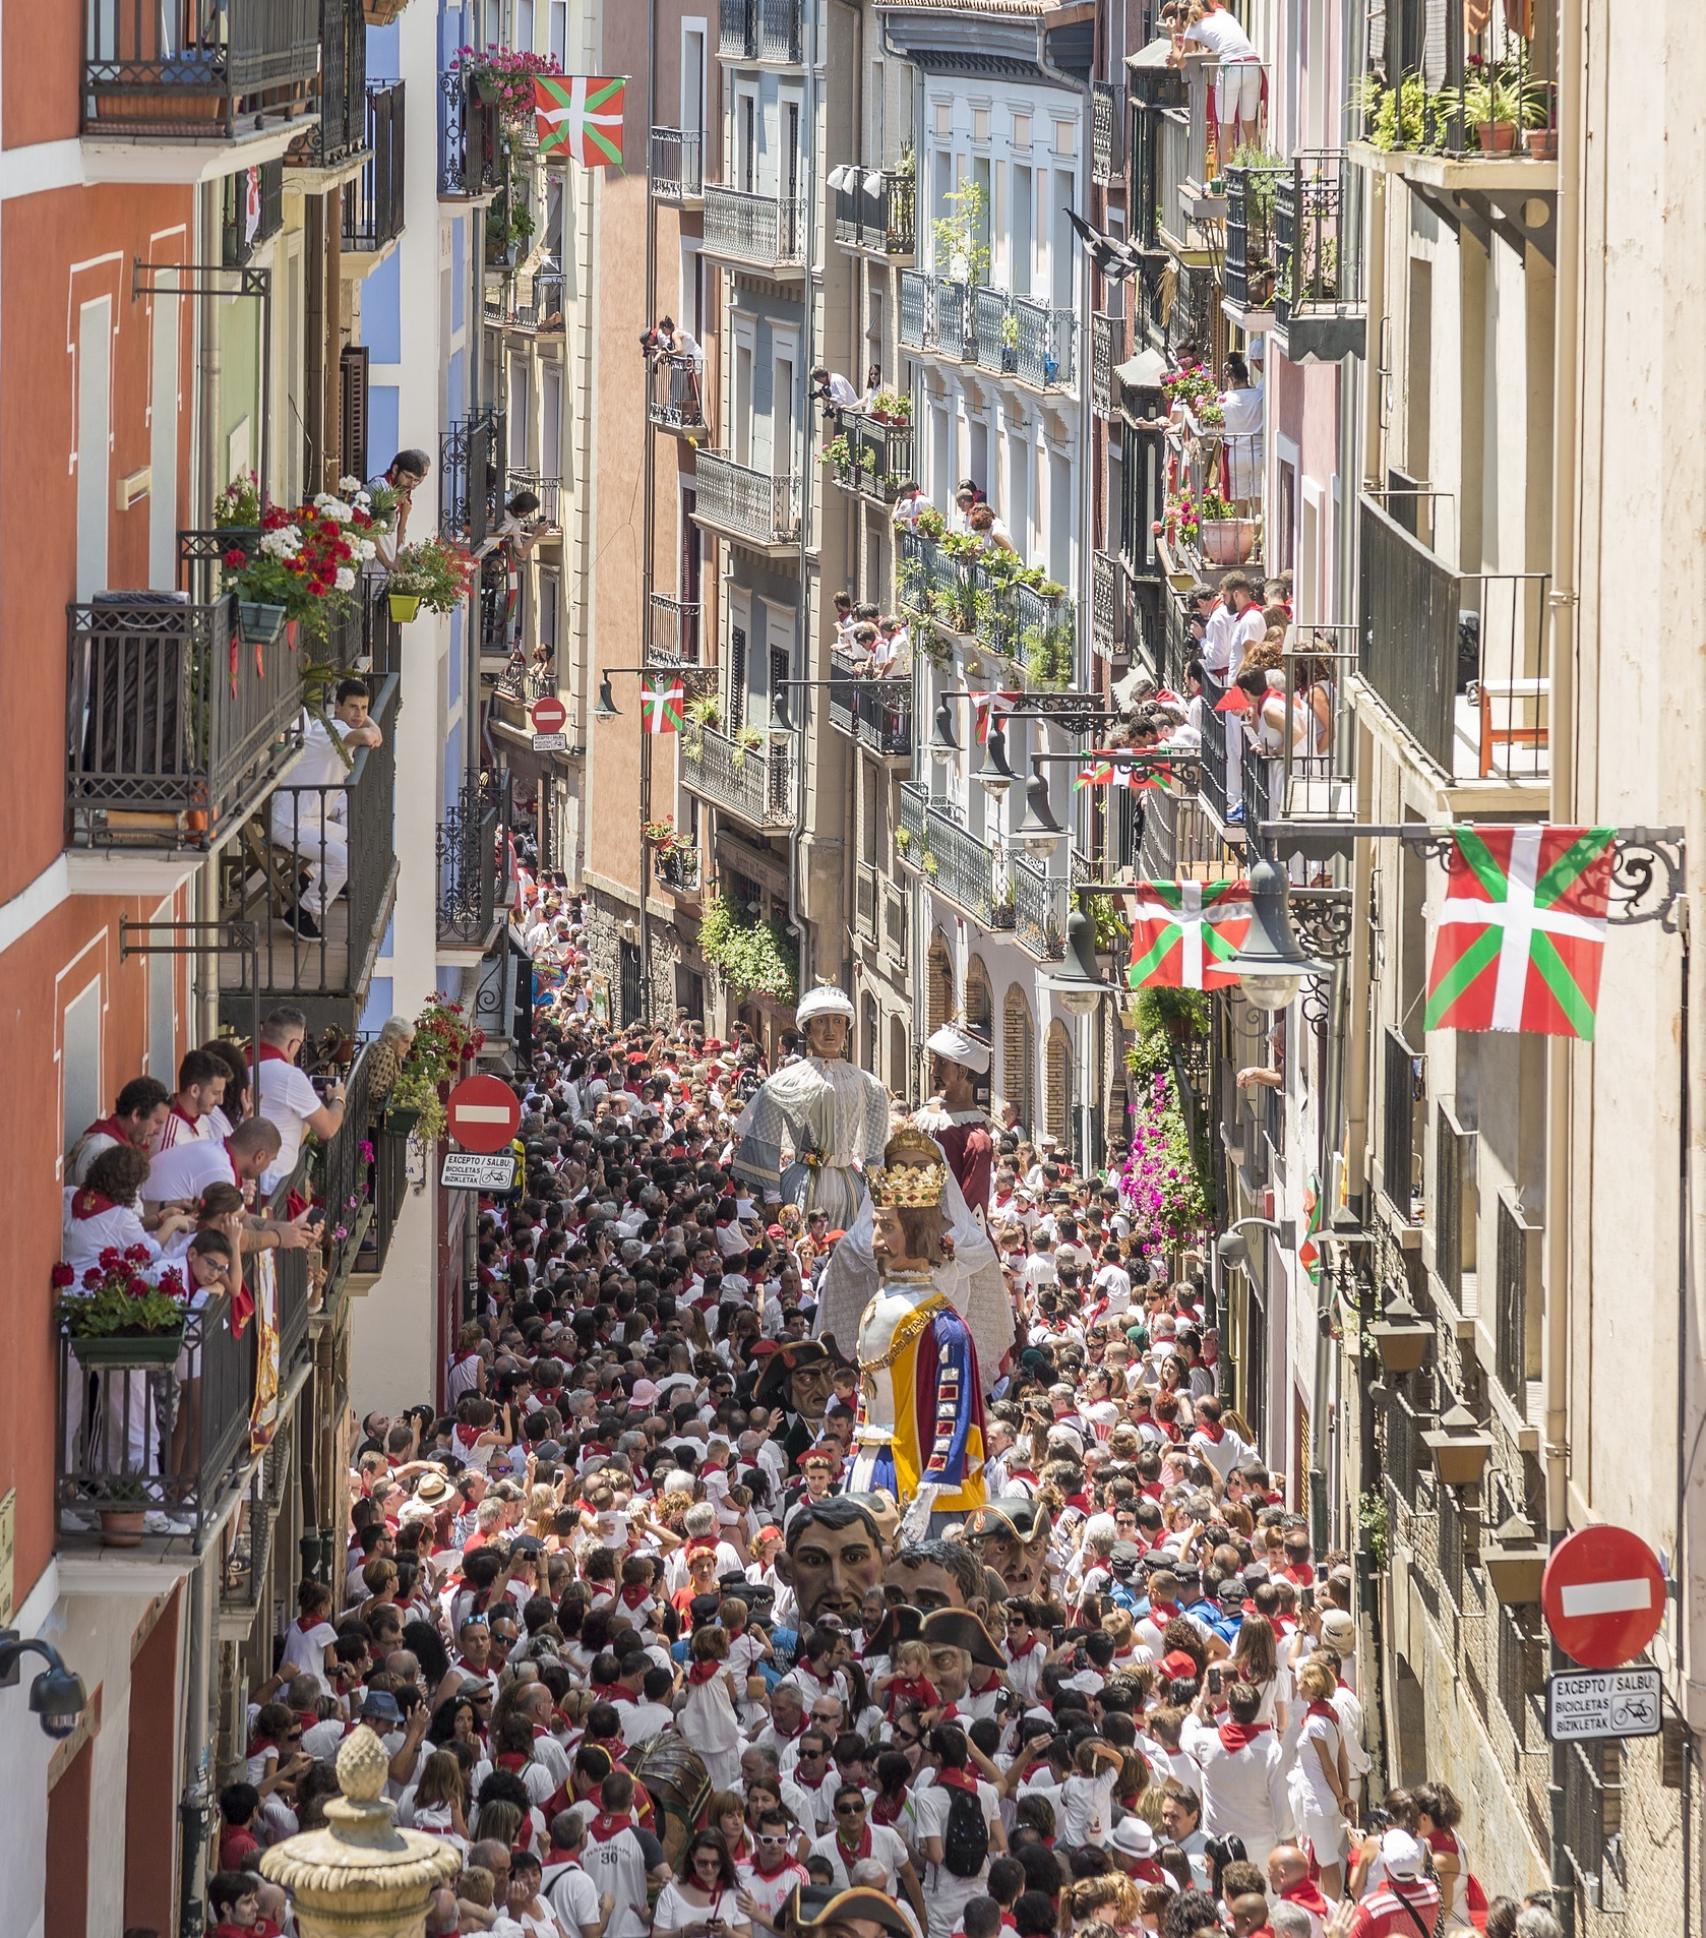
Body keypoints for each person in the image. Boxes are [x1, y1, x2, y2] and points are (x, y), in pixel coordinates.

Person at [732, 985, 889, 1228]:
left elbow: (876, 1152)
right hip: (801, 1185)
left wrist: (874, 1196)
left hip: (851, 1189)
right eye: (821, 1022)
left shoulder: (870, 1086)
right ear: (807, 1028)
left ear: (846, 1029)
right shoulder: (783, 1083)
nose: (830, 1031)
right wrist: (773, 1196)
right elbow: (765, 1140)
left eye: (837, 1021)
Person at [271, 677, 384, 940]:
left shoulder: (336, 727)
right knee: (344, 860)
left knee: (348, 837)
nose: (359, 714)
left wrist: (367, 720)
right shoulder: (332, 731)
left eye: (365, 708)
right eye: (353, 707)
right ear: (338, 707)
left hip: (306, 819)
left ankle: (306, 876)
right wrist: (367, 724)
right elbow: (370, 736)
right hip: (290, 822)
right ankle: (302, 914)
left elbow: (374, 735)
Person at [252, 1006, 348, 1193]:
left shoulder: (242, 1061)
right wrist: (339, 1098)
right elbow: (328, 1129)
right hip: (272, 1187)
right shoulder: (289, 1077)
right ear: (293, 1043)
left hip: (245, 1183)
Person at [67, 1075, 169, 1186]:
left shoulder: (125, 1145)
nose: (158, 1131)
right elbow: (97, 1202)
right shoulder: (100, 1150)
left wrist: (164, 1204)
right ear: (136, 1115)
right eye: (157, 1122)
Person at [154, 1047, 227, 1151]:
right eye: (215, 1093)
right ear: (194, 1090)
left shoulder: (203, 1117)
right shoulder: (169, 1136)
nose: (220, 1101)